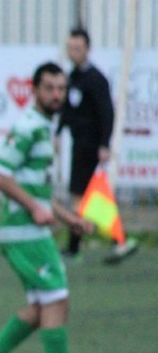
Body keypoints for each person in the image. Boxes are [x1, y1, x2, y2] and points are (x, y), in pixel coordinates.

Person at [0, 62, 100, 353]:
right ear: (34, 90)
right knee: (57, 299)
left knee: (44, 307)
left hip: (29, 230)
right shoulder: (28, 127)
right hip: (23, 232)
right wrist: (34, 208)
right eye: (49, 88)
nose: (56, 95)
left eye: (61, 88)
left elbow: (38, 192)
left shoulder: (43, 128)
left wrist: (70, 219)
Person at [56, 27, 138, 265]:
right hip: (78, 144)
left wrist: (104, 143)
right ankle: (116, 241)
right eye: (70, 48)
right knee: (91, 198)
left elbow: (106, 113)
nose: (73, 52)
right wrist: (58, 133)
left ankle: (83, 246)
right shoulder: (72, 77)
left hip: (91, 146)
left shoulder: (96, 79)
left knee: (84, 197)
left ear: (88, 50)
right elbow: (67, 110)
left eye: (78, 48)